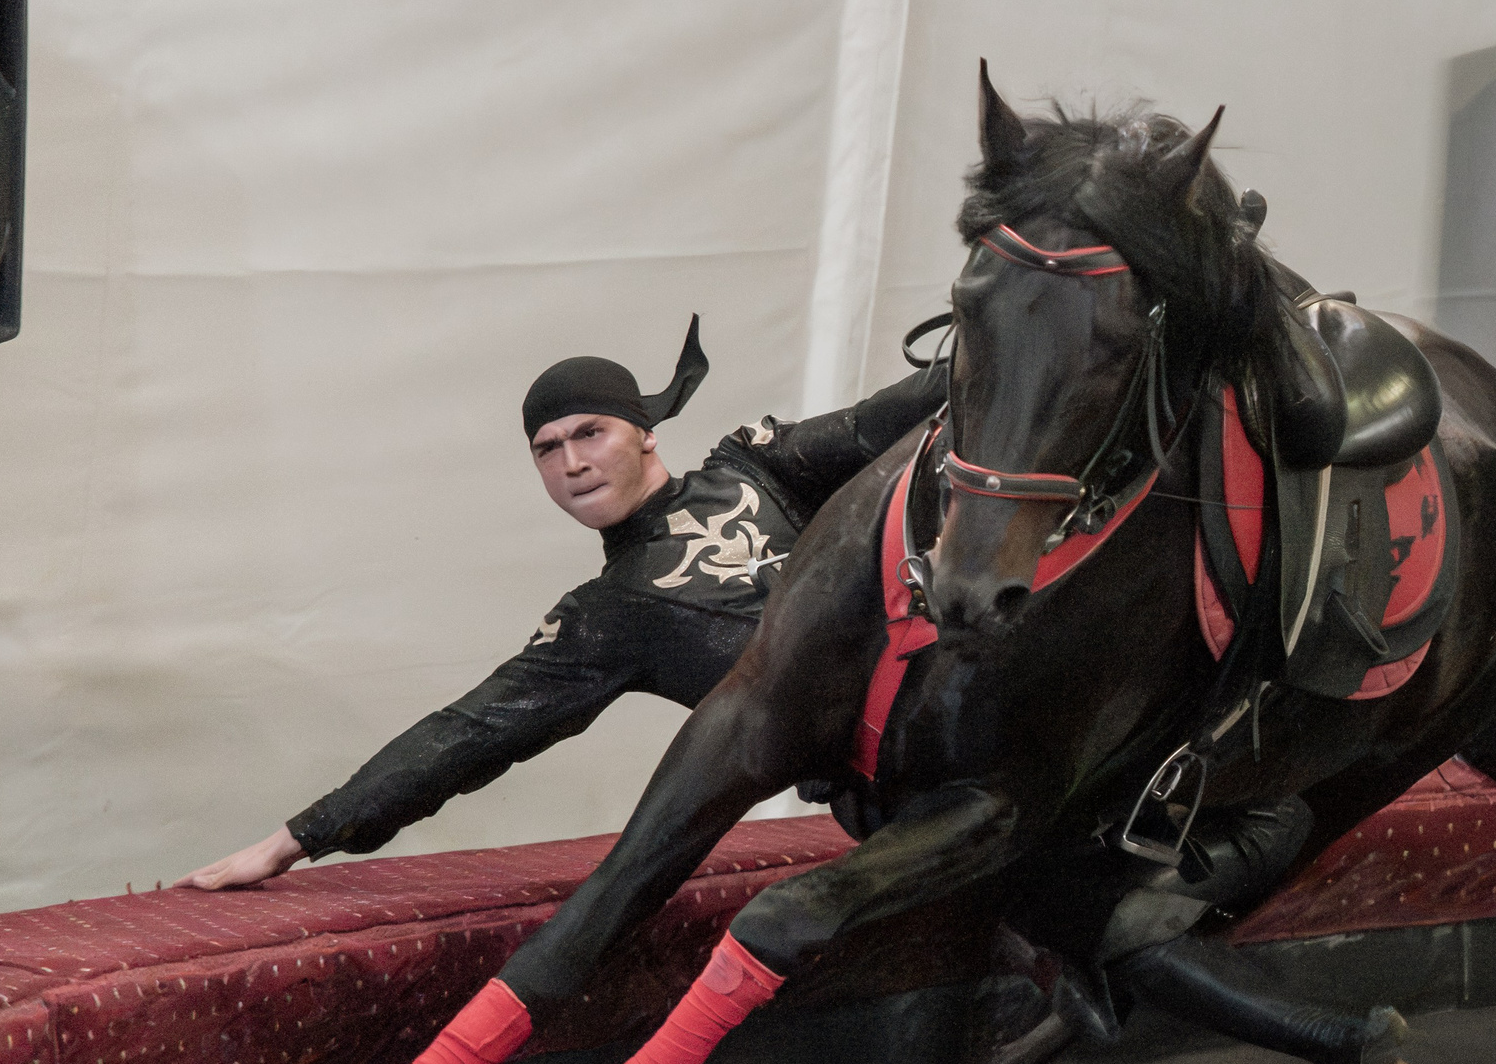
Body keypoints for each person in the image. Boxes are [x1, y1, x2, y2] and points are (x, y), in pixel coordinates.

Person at [173, 317, 946, 891]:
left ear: (644, 435)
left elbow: (914, 403)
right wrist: (293, 840)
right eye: (547, 449)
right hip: (904, 793)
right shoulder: (604, 618)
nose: (572, 463)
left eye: (591, 432)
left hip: (978, 685)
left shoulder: (759, 466)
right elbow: (467, 733)